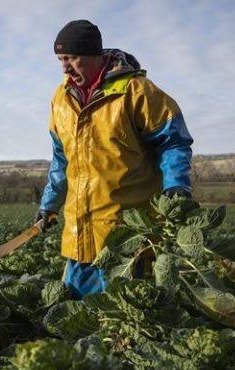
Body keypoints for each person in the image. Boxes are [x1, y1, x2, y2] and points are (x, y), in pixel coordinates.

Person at [35, 19, 193, 299]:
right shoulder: (60, 99)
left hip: (127, 235)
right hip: (79, 232)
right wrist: (49, 204)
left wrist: (177, 186)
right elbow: (61, 159)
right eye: (60, 59)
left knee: (125, 319)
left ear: (95, 55)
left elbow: (174, 142)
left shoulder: (137, 92)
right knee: (77, 321)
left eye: (71, 58)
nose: (64, 67)